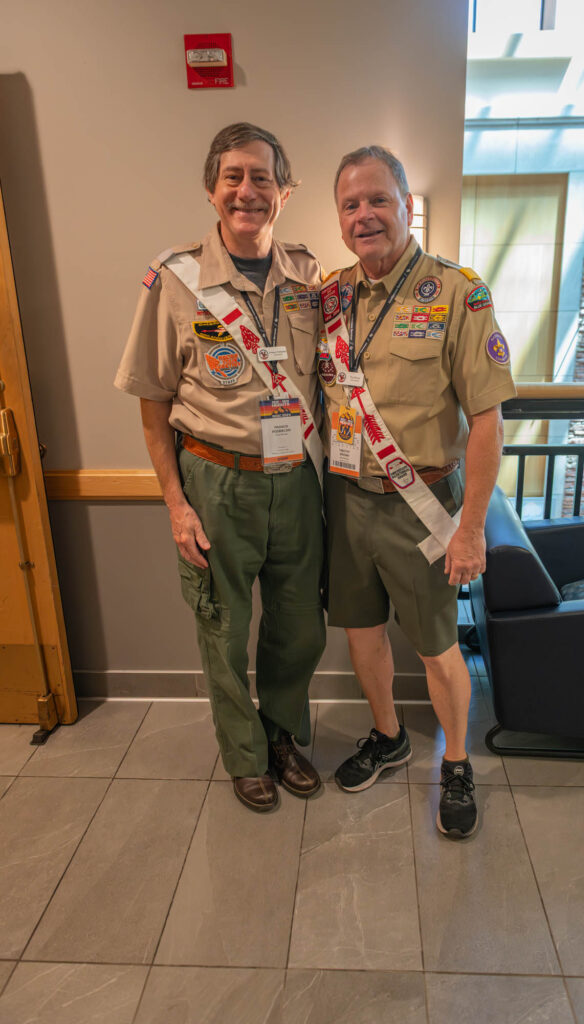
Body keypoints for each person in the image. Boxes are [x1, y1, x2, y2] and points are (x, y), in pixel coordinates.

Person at [115, 123, 325, 813]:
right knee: (223, 627)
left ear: (284, 192)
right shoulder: (175, 280)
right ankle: (243, 753)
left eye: (262, 177)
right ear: (212, 189)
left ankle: (281, 735)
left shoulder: (309, 276)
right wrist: (177, 506)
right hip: (216, 480)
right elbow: (152, 402)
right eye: (233, 176)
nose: (247, 191)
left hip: (295, 480)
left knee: (299, 625)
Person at [319, 145, 516, 838]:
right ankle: (388, 735)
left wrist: (471, 528)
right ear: (339, 218)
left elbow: (488, 419)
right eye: (350, 204)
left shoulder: (458, 292)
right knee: (362, 632)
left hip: (423, 505)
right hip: (346, 499)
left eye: (378, 199)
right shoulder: (329, 297)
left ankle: (456, 762)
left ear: (406, 206)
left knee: (436, 647)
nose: (364, 215)